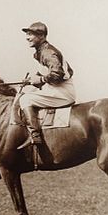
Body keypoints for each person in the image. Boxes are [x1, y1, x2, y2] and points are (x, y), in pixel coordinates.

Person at [18, 21, 76, 149]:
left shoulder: (48, 52)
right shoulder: (41, 51)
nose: (27, 37)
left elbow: (57, 74)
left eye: (30, 34)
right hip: (56, 88)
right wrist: (31, 80)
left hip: (63, 91)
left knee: (25, 99)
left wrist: (41, 79)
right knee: (24, 93)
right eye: (27, 34)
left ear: (41, 36)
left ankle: (35, 135)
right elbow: (47, 72)